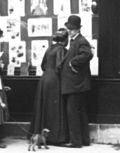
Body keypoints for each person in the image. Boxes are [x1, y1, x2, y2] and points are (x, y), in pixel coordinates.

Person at [29, 28, 69, 145]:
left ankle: (39, 135)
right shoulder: (62, 49)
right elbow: (59, 66)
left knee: (43, 107)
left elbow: (42, 65)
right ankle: (55, 137)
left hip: (45, 78)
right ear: (65, 40)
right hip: (54, 80)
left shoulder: (50, 48)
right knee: (55, 109)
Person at [59, 15, 93, 148]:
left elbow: (87, 54)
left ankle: (75, 141)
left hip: (76, 84)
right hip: (77, 84)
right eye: (69, 28)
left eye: (72, 29)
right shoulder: (75, 41)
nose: (69, 31)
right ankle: (84, 140)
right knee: (80, 112)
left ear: (78, 29)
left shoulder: (81, 41)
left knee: (72, 112)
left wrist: (73, 62)